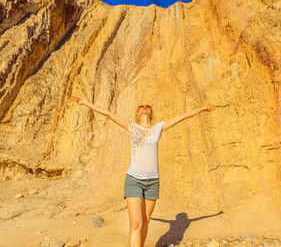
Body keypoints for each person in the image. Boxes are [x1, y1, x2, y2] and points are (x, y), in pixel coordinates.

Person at [74, 97, 213, 247]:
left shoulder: (157, 128)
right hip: (134, 180)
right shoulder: (132, 126)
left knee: (146, 220)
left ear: (151, 114)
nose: (144, 107)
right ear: (138, 113)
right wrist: (86, 103)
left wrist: (200, 109)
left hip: (152, 181)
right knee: (135, 223)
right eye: (141, 106)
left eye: (148, 106)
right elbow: (108, 114)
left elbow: (181, 117)